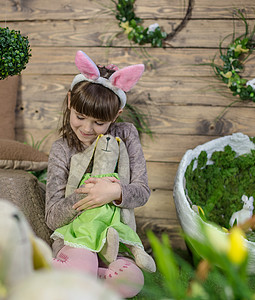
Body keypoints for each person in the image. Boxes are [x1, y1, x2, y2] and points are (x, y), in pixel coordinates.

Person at [45, 50, 154, 298]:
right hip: (75, 242)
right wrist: (89, 196)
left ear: (115, 116)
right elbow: (52, 217)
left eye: (98, 123)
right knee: (83, 266)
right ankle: (76, 274)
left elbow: (142, 191)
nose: (86, 128)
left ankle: (81, 280)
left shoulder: (125, 134)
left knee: (131, 281)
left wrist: (115, 191)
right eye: (80, 117)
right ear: (70, 102)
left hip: (112, 241)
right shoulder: (62, 149)